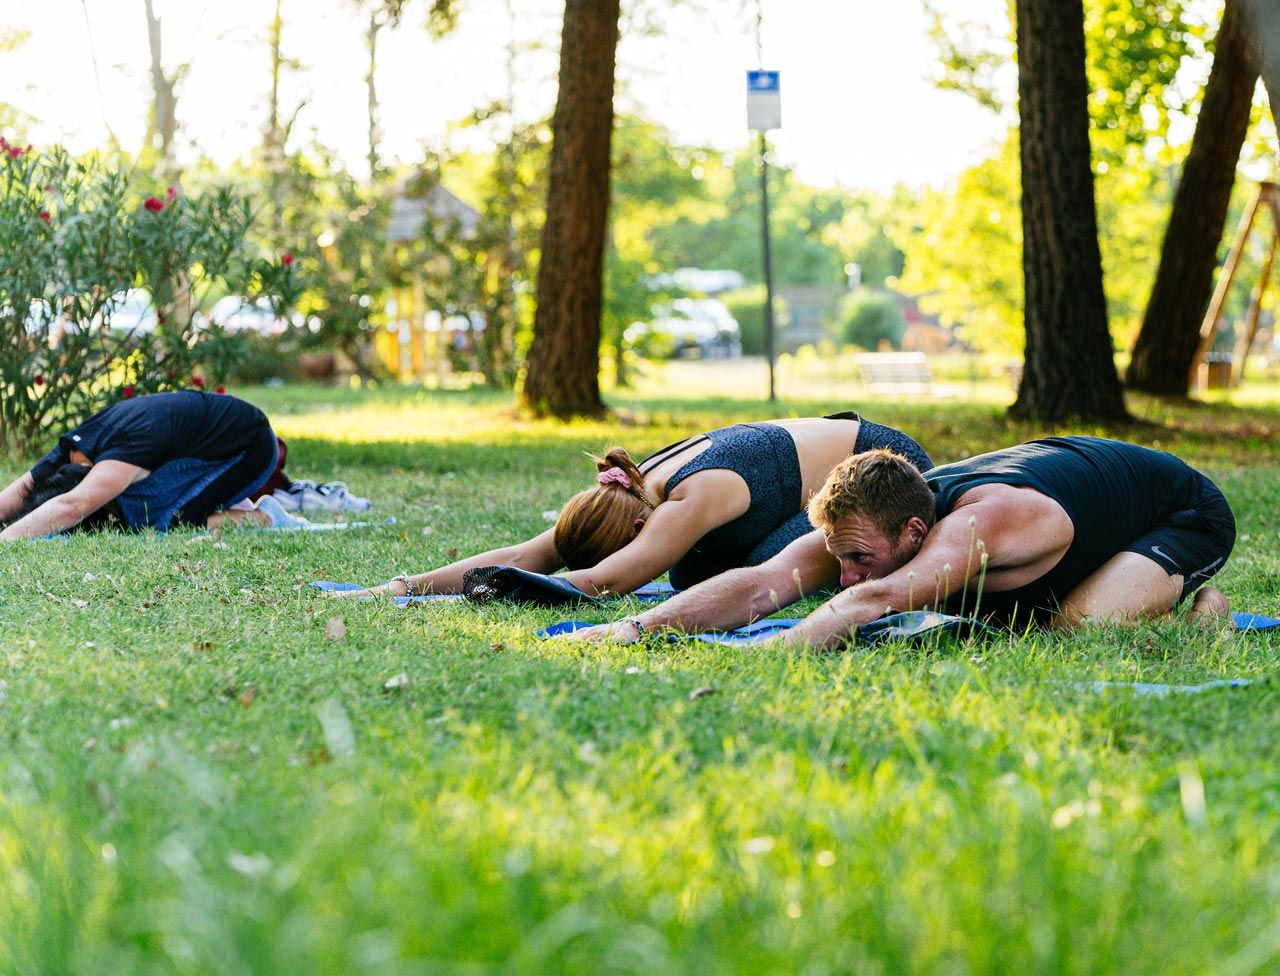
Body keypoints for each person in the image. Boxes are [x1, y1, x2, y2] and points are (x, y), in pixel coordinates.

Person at [568, 436, 1235, 647]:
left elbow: (880, 596)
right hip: (1078, 495)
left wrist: (773, 656)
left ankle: (1204, 608)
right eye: (840, 557)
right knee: (998, 614)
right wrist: (635, 628)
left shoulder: (980, 524)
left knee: (1076, 625)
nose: (847, 575)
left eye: (859, 558)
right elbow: (762, 583)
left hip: (1178, 510)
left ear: (915, 532)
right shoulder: (869, 523)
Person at [332, 412, 933, 598]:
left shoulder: (687, 500)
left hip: (880, 476)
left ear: (644, 526)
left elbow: (603, 581)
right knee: (692, 574)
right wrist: (404, 586)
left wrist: (506, 591)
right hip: (799, 486)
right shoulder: (626, 487)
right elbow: (527, 553)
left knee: (741, 576)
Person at [0, 390, 308, 540]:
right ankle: (225, 499)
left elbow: (73, 506)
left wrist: (6, 541)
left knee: (166, 521)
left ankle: (265, 517)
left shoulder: (126, 451)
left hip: (252, 447)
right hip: (213, 433)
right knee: (139, 503)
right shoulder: (75, 447)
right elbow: (24, 488)